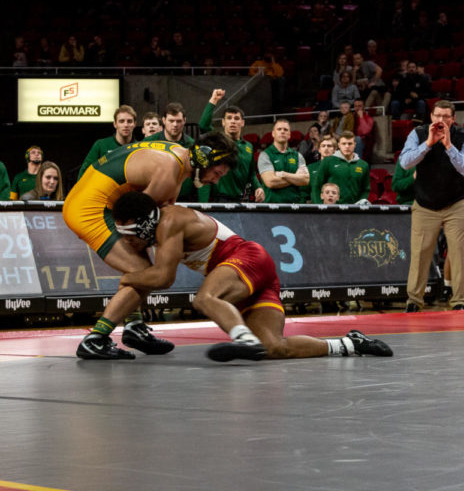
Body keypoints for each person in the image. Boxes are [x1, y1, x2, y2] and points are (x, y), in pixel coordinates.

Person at [103, 191, 392, 361]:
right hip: (248, 277)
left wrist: (128, 279)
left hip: (246, 258)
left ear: (142, 223)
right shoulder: (157, 227)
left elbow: (164, 278)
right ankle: (350, 343)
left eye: (128, 234)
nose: (126, 241)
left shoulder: (170, 221)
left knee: (204, 298)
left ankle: (243, 338)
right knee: (275, 347)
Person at [68, 131, 238, 359]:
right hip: (90, 209)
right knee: (147, 273)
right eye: (217, 173)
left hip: (91, 198)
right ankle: (96, 339)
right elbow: (135, 224)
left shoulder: (177, 156)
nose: (216, 181)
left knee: (144, 268)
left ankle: (134, 327)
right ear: (204, 160)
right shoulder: (168, 174)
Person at [399, 100, 464, 312]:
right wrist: (429, 144)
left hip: (455, 204)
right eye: (437, 116)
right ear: (431, 116)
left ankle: (459, 301)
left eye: (445, 117)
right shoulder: (418, 133)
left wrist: (449, 146)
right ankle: (414, 301)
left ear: (453, 119)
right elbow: (405, 162)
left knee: (459, 254)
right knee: (420, 254)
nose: (440, 120)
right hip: (425, 204)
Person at [199, 89, 264, 203]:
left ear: (242, 123)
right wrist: (213, 100)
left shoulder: (248, 146)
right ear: (223, 122)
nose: (233, 121)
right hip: (220, 200)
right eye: (229, 118)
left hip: (242, 201)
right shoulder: (218, 140)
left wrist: (258, 187)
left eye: (237, 118)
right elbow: (204, 125)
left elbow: (252, 174)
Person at [144, 103, 197, 201]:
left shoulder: (192, 145)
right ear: (164, 121)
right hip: (155, 197)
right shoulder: (149, 143)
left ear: (184, 121)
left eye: (178, 121)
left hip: (185, 198)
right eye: (171, 121)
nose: (175, 125)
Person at [78, 105, 137, 180]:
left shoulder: (139, 147)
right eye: (121, 121)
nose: (126, 125)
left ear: (134, 124)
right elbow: (85, 172)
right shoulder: (101, 145)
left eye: (129, 121)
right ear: (115, 124)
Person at [257, 119, 309, 203]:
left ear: (289, 135)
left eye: (285, 130)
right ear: (273, 134)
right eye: (279, 129)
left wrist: (283, 174)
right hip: (272, 206)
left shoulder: (298, 156)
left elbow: (305, 180)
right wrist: (295, 178)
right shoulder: (265, 155)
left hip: (294, 206)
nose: (282, 132)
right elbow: (270, 182)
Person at [312, 131, 370, 204]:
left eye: (350, 144)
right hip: (332, 210)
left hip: (354, 211)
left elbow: (365, 189)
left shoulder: (363, 165)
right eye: (344, 144)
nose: (347, 146)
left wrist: (360, 204)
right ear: (339, 145)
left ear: (355, 144)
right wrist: (318, 206)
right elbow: (317, 186)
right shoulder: (328, 161)